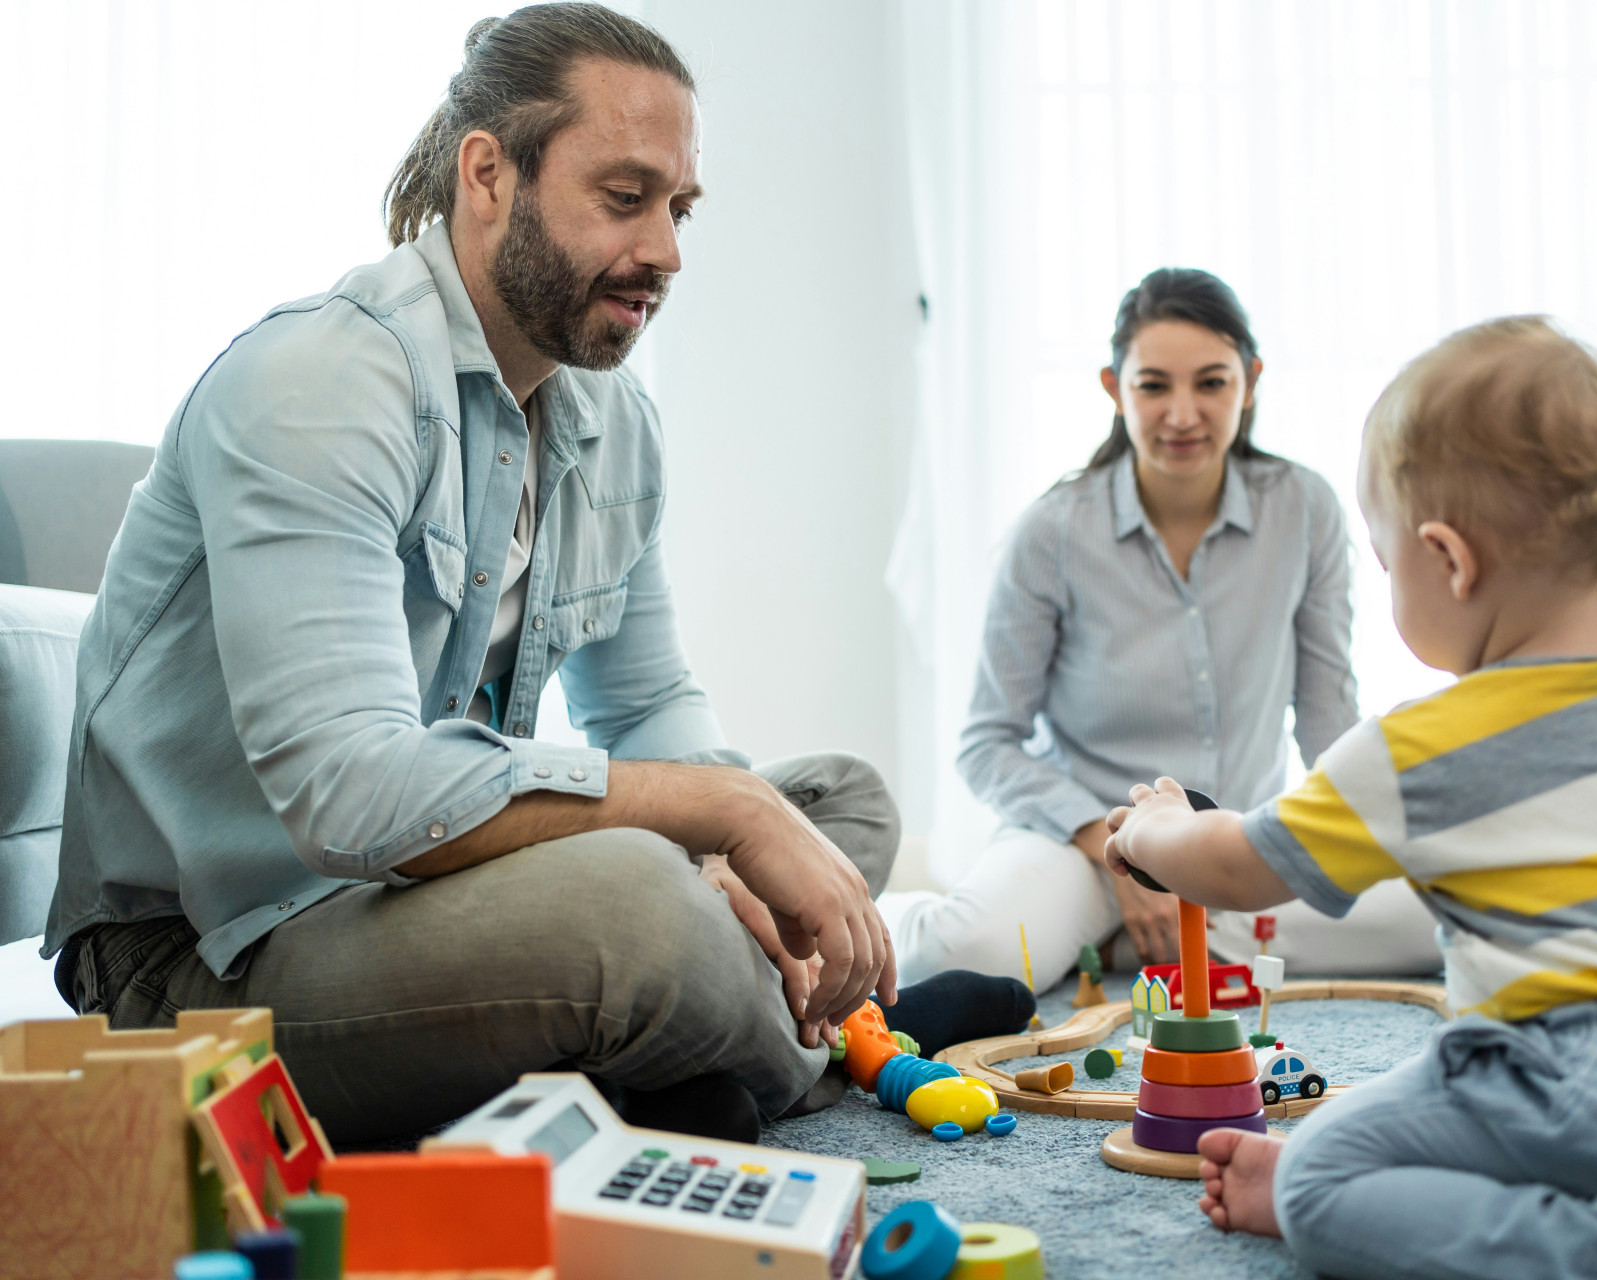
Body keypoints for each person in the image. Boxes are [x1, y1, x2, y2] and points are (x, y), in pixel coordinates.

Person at [39, 4, 977, 1149]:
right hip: (209, 953)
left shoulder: (612, 417)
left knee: (837, 801)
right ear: (488, 173)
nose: (668, 252)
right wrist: (721, 820)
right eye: (625, 198)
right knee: (645, 907)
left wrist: (733, 841)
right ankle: (836, 1040)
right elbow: (356, 799)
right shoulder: (320, 383)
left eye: (679, 209)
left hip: (412, 900)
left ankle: (679, 1045)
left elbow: (647, 702)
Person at [1103, 317, 1597, 1280]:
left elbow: (1239, 867)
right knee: (1428, 1088)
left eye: (1386, 562)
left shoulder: (1427, 743)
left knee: (1321, 1176)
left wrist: (1158, 829)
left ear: (1448, 560)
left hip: (1585, 1111)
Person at [887, 268, 1440, 987]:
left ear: (1251, 382)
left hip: (1237, 844)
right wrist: (1119, 847)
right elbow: (988, 743)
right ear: (1115, 389)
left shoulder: (1305, 508)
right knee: (957, 957)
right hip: (1086, 848)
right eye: (1154, 386)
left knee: (1441, 911)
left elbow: (1326, 712)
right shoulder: (1051, 531)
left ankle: (1142, 941)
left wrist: (1366, 826)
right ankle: (1154, 929)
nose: (1183, 414)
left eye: (1211, 383)